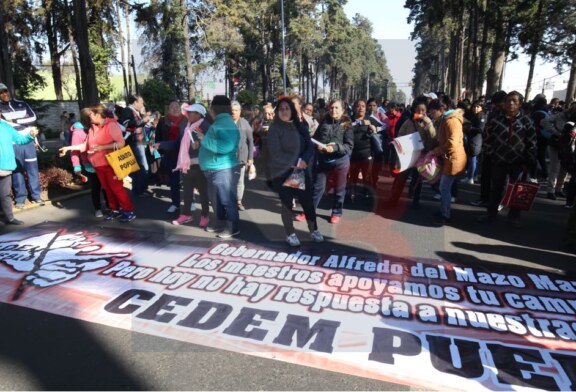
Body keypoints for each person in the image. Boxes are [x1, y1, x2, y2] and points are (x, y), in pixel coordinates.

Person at [60, 104, 136, 223]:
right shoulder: (92, 128)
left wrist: (102, 147)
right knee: (107, 188)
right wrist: (68, 148)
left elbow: (121, 143)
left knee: (117, 188)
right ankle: (114, 210)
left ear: (98, 114)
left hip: (111, 163)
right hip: (98, 165)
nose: (89, 117)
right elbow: (86, 145)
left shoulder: (111, 125)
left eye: (91, 114)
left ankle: (128, 211)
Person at [267, 97, 324, 246]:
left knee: (308, 203)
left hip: (302, 172)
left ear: (292, 110)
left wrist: (304, 160)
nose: (284, 111)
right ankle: (290, 233)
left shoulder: (301, 127)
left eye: (287, 108)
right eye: (281, 108)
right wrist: (295, 162)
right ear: (277, 112)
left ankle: (314, 230)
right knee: (287, 205)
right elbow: (275, 152)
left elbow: (309, 147)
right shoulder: (275, 128)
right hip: (282, 173)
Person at [479, 91, 536, 227]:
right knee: (495, 189)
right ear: (504, 103)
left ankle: (514, 217)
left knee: (517, 191)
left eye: (514, 101)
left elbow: (532, 143)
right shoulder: (495, 120)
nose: (511, 103)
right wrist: (491, 153)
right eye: (508, 100)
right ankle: (491, 214)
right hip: (498, 161)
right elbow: (487, 138)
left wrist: (528, 161)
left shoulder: (527, 121)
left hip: (518, 163)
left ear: (519, 104)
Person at [197, 95, 241, 238]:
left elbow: (226, 146)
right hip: (215, 168)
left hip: (223, 168)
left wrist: (204, 140)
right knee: (216, 199)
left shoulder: (224, 123)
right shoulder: (222, 122)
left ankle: (233, 226)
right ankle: (221, 222)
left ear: (214, 108)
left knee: (226, 199)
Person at [386, 98, 437, 209]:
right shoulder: (408, 122)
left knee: (418, 180)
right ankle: (394, 199)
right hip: (407, 156)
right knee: (401, 179)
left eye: (423, 110)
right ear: (414, 110)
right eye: (418, 110)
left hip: (421, 155)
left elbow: (433, 139)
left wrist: (428, 124)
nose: (421, 113)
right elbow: (399, 135)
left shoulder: (428, 123)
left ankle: (415, 201)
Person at [0, 83, 44, 209]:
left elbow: (33, 118)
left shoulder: (22, 103)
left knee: (32, 169)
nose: (4, 94)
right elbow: (4, 123)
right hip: (14, 143)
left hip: (28, 141)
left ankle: (36, 196)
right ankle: (20, 199)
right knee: (17, 171)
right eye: (1, 93)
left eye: (5, 91)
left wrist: (14, 121)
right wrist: (23, 119)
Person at [312, 99, 354, 224]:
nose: (333, 110)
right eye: (331, 107)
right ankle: (309, 211)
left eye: (336, 108)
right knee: (317, 187)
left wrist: (334, 148)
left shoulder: (347, 124)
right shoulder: (324, 121)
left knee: (339, 189)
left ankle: (336, 212)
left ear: (342, 110)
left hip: (340, 162)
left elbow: (349, 147)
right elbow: (316, 138)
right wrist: (318, 146)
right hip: (323, 159)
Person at [171, 104, 212, 227]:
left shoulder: (206, 126)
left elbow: (212, 143)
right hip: (187, 163)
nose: (188, 114)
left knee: (203, 192)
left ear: (199, 114)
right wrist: (162, 145)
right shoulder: (186, 125)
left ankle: (205, 215)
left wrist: (201, 144)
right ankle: (186, 214)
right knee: (187, 191)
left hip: (201, 164)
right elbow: (180, 142)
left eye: (191, 112)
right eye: (187, 112)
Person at [429, 99, 467, 225]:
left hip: (453, 159)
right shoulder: (445, 120)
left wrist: (436, 151)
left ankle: (446, 215)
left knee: (444, 187)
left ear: (441, 110)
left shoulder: (451, 121)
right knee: (444, 187)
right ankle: (444, 211)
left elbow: (452, 143)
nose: (432, 115)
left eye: (433, 112)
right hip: (450, 158)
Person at [69, 108, 107, 217]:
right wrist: (76, 166)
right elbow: (74, 151)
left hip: (102, 160)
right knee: (96, 186)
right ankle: (98, 208)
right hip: (90, 163)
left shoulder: (95, 127)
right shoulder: (78, 132)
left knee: (105, 185)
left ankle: (109, 205)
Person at [0, 120, 39, 225]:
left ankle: (10, 218)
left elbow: (20, 140)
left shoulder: (6, 127)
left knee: (4, 195)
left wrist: (30, 135)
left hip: (5, 167)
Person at [155, 100, 188, 212]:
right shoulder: (163, 120)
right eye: (172, 107)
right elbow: (158, 137)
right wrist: (161, 151)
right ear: (168, 109)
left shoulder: (186, 120)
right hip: (170, 155)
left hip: (184, 154)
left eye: (177, 106)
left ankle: (190, 201)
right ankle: (175, 203)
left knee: (188, 180)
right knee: (174, 181)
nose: (175, 108)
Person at [119, 95, 152, 199]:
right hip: (134, 142)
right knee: (141, 166)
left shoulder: (134, 111)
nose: (142, 105)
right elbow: (126, 125)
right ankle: (139, 190)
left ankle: (141, 189)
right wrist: (143, 120)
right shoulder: (127, 110)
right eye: (141, 103)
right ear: (134, 102)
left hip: (140, 141)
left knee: (142, 166)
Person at [348, 99, 380, 200]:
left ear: (366, 109)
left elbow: (384, 127)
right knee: (352, 176)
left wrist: (374, 129)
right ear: (354, 108)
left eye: (363, 106)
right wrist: (359, 123)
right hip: (352, 153)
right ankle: (351, 193)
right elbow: (343, 128)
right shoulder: (349, 119)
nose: (360, 108)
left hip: (367, 153)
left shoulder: (370, 119)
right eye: (358, 106)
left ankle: (367, 194)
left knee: (367, 176)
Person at [231, 101, 254, 211]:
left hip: (241, 156)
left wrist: (250, 157)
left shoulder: (244, 123)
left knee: (240, 180)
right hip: (227, 157)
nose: (234, 112)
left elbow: (251, 141)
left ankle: (238, 201)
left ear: (240, 112)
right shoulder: (225, 123)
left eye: (236, 110)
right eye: (232, 110)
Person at [463, 100, 486, 184]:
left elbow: (480, 129)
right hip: (473, 139)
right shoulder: (475, 115)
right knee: (474, 159)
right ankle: (473, 176)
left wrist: (469, 128)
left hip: (476, 140)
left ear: (481, 108)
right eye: (474, 106)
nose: (475, 108)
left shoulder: (481, 116)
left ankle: (470, 177)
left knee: (472, 159)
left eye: (478, 107)